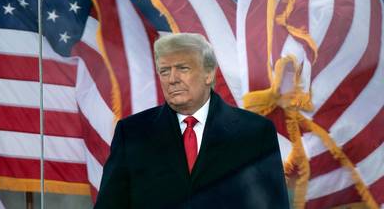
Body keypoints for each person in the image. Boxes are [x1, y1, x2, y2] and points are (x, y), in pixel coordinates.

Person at [94, 33, 289, 209]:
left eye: (182, 68)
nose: (172, 79)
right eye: (164, 71)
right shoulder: (132, 133)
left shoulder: (255, 132)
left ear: (209, 73)